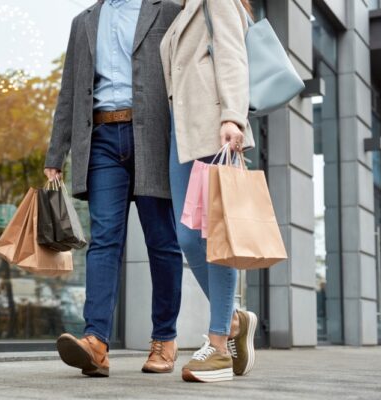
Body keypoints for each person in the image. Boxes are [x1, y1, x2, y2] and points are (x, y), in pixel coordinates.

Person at [44, 0, 182, 377]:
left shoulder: (166, 10)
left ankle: (164, 339)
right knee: (104, 238)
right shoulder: (84, 21)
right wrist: (56, 151)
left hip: (152, 137)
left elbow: (184, 72)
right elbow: (69, 90)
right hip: (102, 137)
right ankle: (97, 342)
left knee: (162, 240)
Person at [160, 0, 259, 383]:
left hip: (214, 128)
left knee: (214, 235)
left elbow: (233, 55)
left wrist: (233, 116)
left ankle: (218, 345)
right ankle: (233, 318)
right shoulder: (182, 11)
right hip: (182, 135)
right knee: (187, 237)